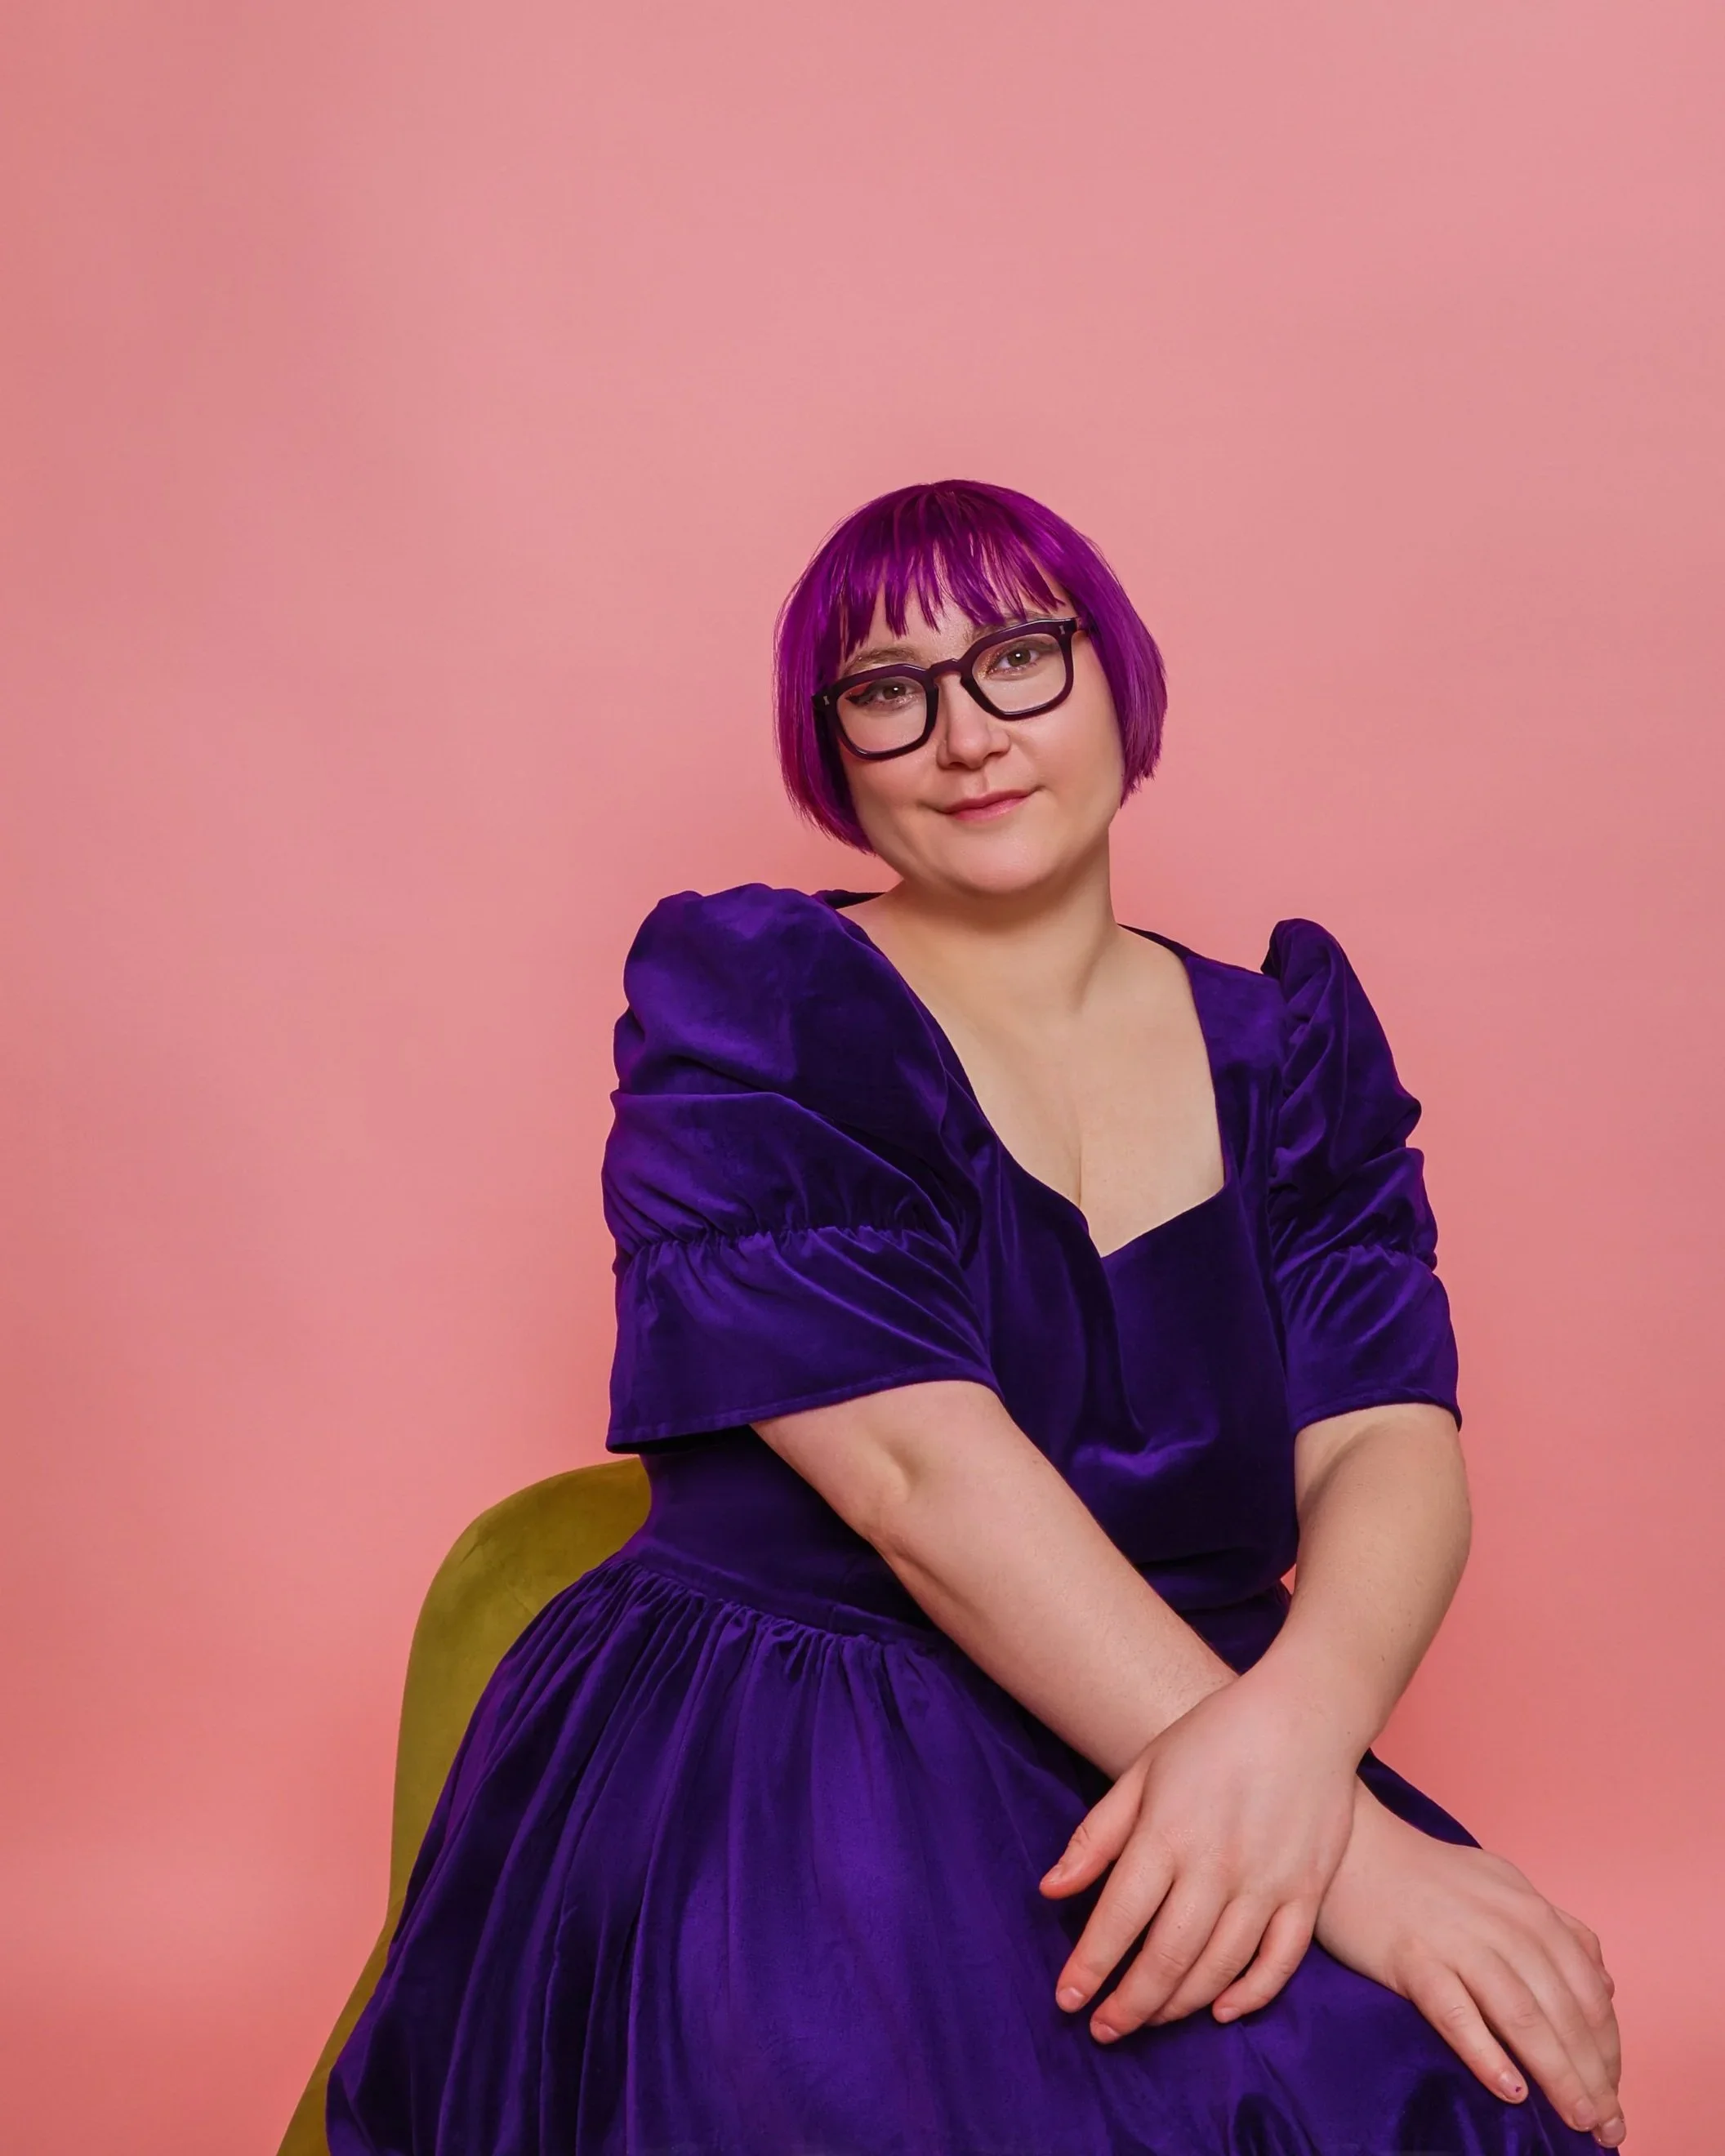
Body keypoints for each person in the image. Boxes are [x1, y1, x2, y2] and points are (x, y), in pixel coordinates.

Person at [327, 479, 1625, 2154]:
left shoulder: (1288, 1047)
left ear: (1116, 678)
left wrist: (1301, 1749)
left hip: (1198, 1717)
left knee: (1458, 2086)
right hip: (790, 1755)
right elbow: (918, 1486)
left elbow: (1388, 1434)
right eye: (890, 691)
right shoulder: (757, 1014)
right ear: (837, 753)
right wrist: (1373, 1871)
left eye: (1019, 656)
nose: (966, 734)